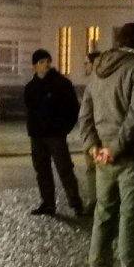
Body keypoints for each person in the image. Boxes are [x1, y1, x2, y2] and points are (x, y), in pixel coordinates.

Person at [77, 22, 134, 267]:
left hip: (102, 158)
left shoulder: (97, 71)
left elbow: (84, 114)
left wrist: (93, 147)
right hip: (130, 156)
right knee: (131, 218)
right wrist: (116, 148)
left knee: (103, 215)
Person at [24, 48, 84, 217]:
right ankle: (48, 203)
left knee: (64, 168)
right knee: (42, 170)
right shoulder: (30, 87)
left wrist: (63, 128)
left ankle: (75, 202)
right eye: (42, 62)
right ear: (35, 66)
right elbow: (30, 109)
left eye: (47, 61)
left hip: (55, 134)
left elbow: (73, 108)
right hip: (37, 135)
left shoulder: (62, 84)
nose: (46, 65)